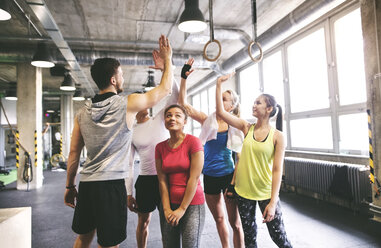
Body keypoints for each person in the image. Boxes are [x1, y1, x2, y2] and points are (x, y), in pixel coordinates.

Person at [64, 35, 173, 248]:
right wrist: (167, 60)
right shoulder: (128, 104)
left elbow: (73, 154)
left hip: (87, 184)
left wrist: (70, 185)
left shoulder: (82, 113)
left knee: (84, 237)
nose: (122, 78)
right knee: (110, 243)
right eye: (121, 74)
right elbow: (165, 90)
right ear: (113, 80)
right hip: (111, 185)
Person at [215, 73, 292, 248]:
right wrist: (219, 84)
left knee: (280, 238)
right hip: (244, 192)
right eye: (254, 102)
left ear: (269, 109)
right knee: (250, 239)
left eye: (258, 102)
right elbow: (220, 112)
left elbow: (277, 170)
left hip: (266, 192)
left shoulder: (278, 136)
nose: (254, 105)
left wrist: (273, 202)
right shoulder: (246, 127)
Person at [178, 59, 244, 248]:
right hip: (210, 176)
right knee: (220, 219)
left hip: (229, 176)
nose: (219, 102)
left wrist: (232, 184)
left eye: (224, 99)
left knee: (236, 223)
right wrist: (183, 77)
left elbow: (240, 156)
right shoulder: (208, 121)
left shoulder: (235, 124)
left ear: (230, 106)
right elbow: (183, 104)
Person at [126, 51, 179, 248]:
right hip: (146, 180)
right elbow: (129, 164)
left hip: (167, 178)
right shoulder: (131, 131)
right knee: (144, 221)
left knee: (169, 223)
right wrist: (128, 192)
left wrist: (167, 68)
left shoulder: (159, 119)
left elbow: (174, 96)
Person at [155, 104, 205, 248]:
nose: (172, 118)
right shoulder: (160, 147)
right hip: (169, 203)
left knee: (190, 245)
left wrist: (182, 209)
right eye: (168, 115)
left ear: (185, 121)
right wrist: (166, 209)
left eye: (178, 115)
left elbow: (194, 178)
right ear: (164, 121)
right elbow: (162, 180)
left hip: (192, 204)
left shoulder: (193, 142)